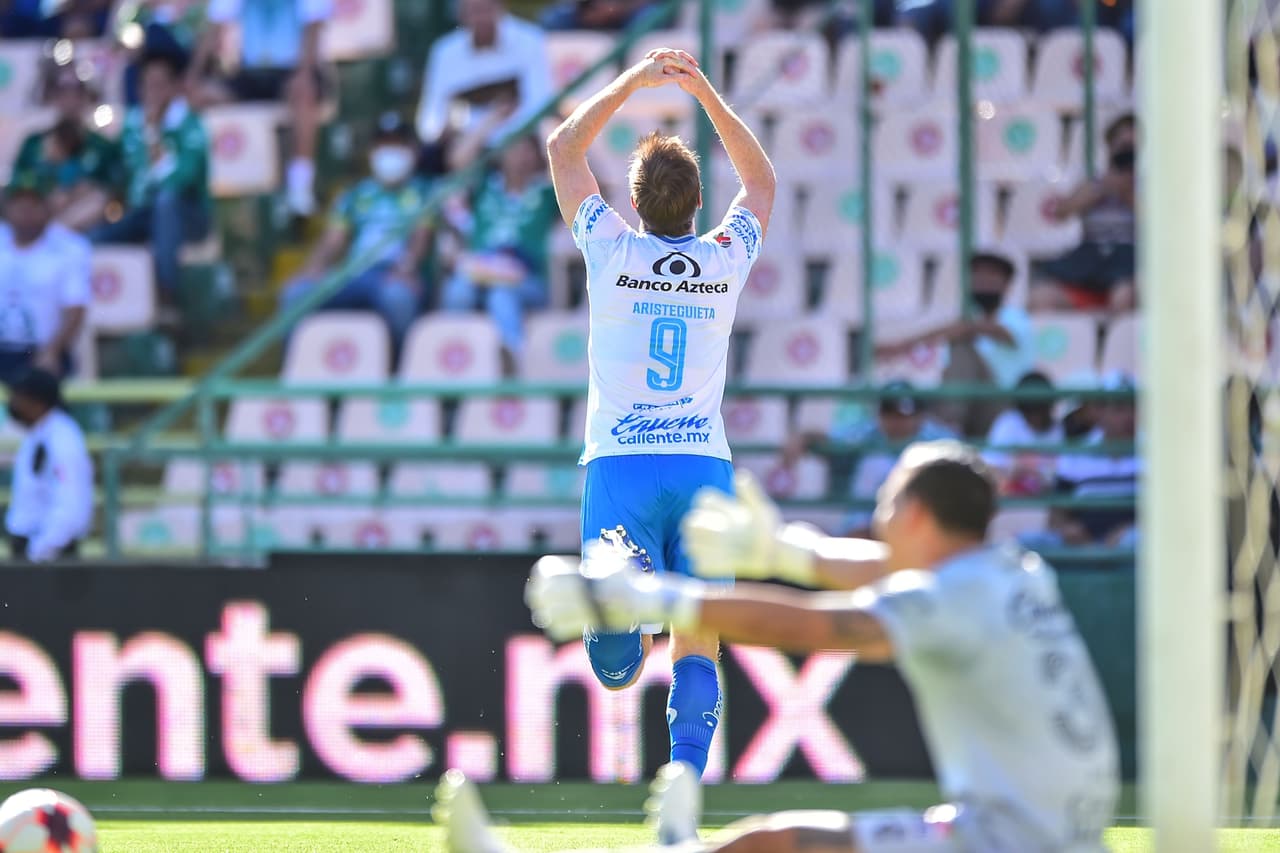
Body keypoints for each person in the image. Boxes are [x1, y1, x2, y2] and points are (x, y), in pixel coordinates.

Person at [452, 440, 1118, 853]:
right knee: (765, 842)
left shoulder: (947, 597)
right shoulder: (1009, 568)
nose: (879, 520)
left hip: (1003, 841)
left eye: (888, 504)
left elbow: (817, 628)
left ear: (915, 515)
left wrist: (654, 600)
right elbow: (877, 568)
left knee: (771, 844)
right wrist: (785, 550)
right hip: (1029, 829)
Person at [545, 47, 775, 779]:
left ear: (633, 202)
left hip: (619, 463)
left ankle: (616, 624)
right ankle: (680, 778)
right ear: (698, 202)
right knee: (699, 632)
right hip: (703, 463)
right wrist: (702, 88)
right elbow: (763, 181)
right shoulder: (723, 259)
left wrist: (637, 81)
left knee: (617, 667)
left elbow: (562, 147)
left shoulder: (609, 250)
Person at [278, 113, 433, 359]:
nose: (389, 152)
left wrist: (408, 266)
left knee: (398, 297)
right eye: (383, 145)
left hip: (392, 274)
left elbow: (421, 238)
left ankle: (403, 376)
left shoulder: (424, 191)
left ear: (412, 150)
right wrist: (313, 267)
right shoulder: (355, 195)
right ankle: (292, 375)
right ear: (372, 151)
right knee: (298, 292)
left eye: (396, 145)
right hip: (353, 273)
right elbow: (333, 241)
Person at [187, 0, 332, 215]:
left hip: (293, 69)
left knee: (304, 94)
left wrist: (304, 72)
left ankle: (300, 183)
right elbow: (215, 26)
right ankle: (201, 181)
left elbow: (313, 26)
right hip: (252, 74)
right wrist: (193, 75)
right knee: (200, 96)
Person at [90, 46, 211, 299]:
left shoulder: (190, 124)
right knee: (92, 239)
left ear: (174, 87)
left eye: (160, 85)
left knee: (165, 201)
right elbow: (113, 169)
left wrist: (154, 134)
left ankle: (166, 293)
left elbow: (181, 179)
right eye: (148, 85)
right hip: (141, 214)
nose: (153, 92)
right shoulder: (131, 123)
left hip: (188, 214)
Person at [877, 249, 1036, 436]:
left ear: (1007, 283)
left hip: (1003, 411)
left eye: (991, 275)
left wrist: (903, 346)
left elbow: (974, 329)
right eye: (977, 274)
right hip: (968, 407)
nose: (983, 281)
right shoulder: (968, 322)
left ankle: (946, 427)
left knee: (961, 349)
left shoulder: (1017, 318)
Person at [440, 130, 559, 373]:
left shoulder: (548, 193)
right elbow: (458, 161)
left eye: (527, 148)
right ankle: (457, 363)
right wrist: (495, 119)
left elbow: (598, 188)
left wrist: (556, 132)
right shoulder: (484, 187)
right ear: (500, 153)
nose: (520, 155)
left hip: (527, 278)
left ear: (538, 154)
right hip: (479, 272)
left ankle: (513, 361)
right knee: (457, 291)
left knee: (501, 295)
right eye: (513, 147)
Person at [781, 381, 955, 537]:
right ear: (880, 415)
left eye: (904, 415)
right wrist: (804, 437)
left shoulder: (939, 438)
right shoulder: (867, 432)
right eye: (891, 414)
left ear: (919, 415)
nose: (898, 422)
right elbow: (831, 441)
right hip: (871, 522)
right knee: (875, 463)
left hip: (918, 520)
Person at [415, 0, 552, 174]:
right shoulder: (444, 52)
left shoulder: (531, 40)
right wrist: (456, 129)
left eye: (486, 8)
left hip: (520, 143)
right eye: (474, 10)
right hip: (465, 150)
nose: (481, 17)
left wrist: (498, 131)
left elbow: (540, 105)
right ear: (461, 13)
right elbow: (430, 121)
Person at [1030, 114, 1138, 313]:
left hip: (1130, 264)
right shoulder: (1094, 182)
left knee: (1123, 297)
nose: (1127, 152)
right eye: (1122, 145)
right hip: (1090, 262)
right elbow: (1063, 212)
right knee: (1042, 297)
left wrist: (1127, 193)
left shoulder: (1147, 185)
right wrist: (1102, 188)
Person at [1025, 372, 1138, 550]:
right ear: (1100, 413)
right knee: (1026, 544)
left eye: (1134, 407)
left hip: (1132, 545)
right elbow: (1057, 514)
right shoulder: (1077, 453)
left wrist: (1131, 529)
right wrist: (1067, 530)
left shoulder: (1157, 453)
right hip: (1081, 545)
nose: (1129, 416)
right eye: (1119, 408)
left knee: (1135, 540)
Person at [0, 172, 91, 382]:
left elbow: (76, 309)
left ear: (47, 207)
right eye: (19, 204)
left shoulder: (70, 247)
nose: (26, 212)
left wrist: (52, 352)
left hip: (42, 351)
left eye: (33, 205)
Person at [15, 56, 122, 233]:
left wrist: (80, 190)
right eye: (63, 93)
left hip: (82, 220)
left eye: (76, 94)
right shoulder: (34, 142)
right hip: (39, 212)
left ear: (86, 97)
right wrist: (45, 189)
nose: (70, 101)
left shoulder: (103, 147)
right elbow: (18, 181)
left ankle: (53, 237)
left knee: (97, 200)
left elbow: (115, 189)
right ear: (53, 98)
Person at [4, 369, 94, 562]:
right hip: (35, 546)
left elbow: (72, 501)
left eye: (19, 397)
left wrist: (43, 548)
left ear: (37, 402)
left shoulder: (62, 439)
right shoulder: (39, 432)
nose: (14, 403)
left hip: (48, 551)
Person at [983, 370, 1064, 497]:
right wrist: (1013, 473)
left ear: (1049, 407)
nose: (1035, 417)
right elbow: (990, 469)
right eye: (1029, 411)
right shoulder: (1008, 424)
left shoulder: (1060, 431)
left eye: (1039, 410)